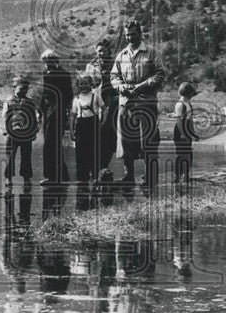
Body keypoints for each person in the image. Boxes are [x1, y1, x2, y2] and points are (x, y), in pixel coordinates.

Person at [110, 21, 165, 188]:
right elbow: (114, 76)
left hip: (146, 102)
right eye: (127, 35)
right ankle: (129, 175)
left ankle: (150, 176)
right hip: (126, 103)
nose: (130, 37)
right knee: (125, 139)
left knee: (148, 139)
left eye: (133, 34)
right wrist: (120, 86)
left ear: (140, 34)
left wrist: (141, 86)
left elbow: (160, 74)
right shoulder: (121, 55)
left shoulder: (152, 53)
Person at [84, 38, 119, 172]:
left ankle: (103, 166)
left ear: (109, 51)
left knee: (108, 136)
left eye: (105, 51)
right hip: (94, 103)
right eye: (99, 51)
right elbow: (86, 84)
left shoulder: (116, 64)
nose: (102, 54)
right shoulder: (91, 66)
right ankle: (93, 168)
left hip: (111, 104)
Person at [39, 50, 73, 185]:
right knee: (51, 143)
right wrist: (40, 109)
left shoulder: (63, 73)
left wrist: (59, 109)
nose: (47, 63)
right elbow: (44, 93)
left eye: (49, 61)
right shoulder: (45, 73)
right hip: (47, 110)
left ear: (55, 60)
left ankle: (52, 176)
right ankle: (62, 175)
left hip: (57, 110)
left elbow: (68, 94)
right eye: (45, 61)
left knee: (50, 143)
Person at [2, 76, 38, 188]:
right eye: (21, 88)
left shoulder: (30, 101)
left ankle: (27, 178)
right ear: (15, 87)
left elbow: (34, 118)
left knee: (26, 157)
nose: (24, 91)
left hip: (26, 134)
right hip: (12, 133)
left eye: (26, 88)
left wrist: (34, 132)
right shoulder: (9, 101)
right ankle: (8, 178)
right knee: (10, 157)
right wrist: (5, 133)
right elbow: (4, 117)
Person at [71, 74, 104, 185]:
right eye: (81, 84)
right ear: (78, 85)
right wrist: (72, 130)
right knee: (80, 152)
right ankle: (82, 177)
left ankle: (95, 176)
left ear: (91, 84)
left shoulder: (96, 96)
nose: (84, 86)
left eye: (86, 83)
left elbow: (104, 109)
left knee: (94, 150)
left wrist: (103, 122)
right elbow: (73, 115)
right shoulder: (76, 99)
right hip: (81, 125)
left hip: (93, 124)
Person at [173, 82, 200, 183]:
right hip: (180, 131)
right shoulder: (179, 104)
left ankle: (186, 175)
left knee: (189, 153)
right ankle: (177, 176)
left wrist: (193, 133)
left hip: (187, 130)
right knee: (181, 154)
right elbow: (178, 120)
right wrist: (182, 133)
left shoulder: (188, 103)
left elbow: (190, 119)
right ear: (188, 93)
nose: (191, 96)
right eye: (191, 94)